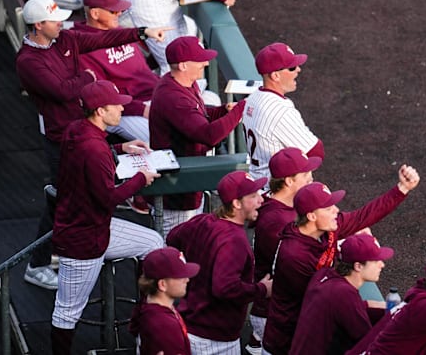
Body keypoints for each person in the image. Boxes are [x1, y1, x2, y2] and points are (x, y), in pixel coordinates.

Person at [16, 0, 168, 290]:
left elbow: (103, 39)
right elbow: (62, 92)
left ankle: (63, 249)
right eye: (54, 19)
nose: (61, 22)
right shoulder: (28, 61)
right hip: (60, 137)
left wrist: (139, 33)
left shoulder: (65, 39)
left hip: (83, 130)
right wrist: (86, 77)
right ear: (38, 25)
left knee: (77, 194)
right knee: (61, 198)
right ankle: (37, 264)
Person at [49, 80, 165, 355]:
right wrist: (140, 179)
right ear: (100, 111)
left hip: (91, 226)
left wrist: (122, 149)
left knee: (154, 242)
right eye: (116, 104)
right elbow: (107, 198)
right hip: (82, 240)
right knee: (66, 312)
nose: (122, 108)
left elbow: (97, 154)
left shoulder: (77, 130)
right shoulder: (93, 148)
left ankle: (145, 323)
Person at [262, 165, 420, 355]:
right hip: (285, 342)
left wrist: (401, 189)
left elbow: (363, 216)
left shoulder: (326, 229)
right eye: (328, 208)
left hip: (312, 331)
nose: (336, 210)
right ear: (312, 216)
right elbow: (319, 300)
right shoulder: (294, 254)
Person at [166, 171, 273, 355]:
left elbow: (172, 238)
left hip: (189, 324)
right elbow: (224, 288)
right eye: (253, 196)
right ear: (236, 203)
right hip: (214, 339)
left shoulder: (203, 220)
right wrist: (262, 289)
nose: (261, 200)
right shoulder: (234, 241)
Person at [148, 36, 245, 237]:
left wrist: (224, 111)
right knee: (176, 254)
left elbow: (199, 117)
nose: (206, 63)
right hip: (176, 193)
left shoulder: (182, 83)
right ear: (183, 65)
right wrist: (242, 109)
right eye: (199, 60)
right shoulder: (173, 96)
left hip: (186, 183)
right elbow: (208, 135)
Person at [246, 147, 321, 354]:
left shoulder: (280, 203)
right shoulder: (277, 220)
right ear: (288, 181)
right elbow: (294, 264)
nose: (311, 177)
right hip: (273, 311)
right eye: (306, 174)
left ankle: (255, 343)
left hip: (275, 306)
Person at [72, 0, 159, 143]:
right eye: (113, 11)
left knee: (209, 101)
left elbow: (144, 67)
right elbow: (103, 97)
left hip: (155, 95)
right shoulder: (82, 47)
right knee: (161, 139)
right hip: (125, 109)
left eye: (120, 9)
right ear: (95, 13)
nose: (119, 13)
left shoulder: (119, 31)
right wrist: (143, 109)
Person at [289, 234, 392, 355]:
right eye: (376, 261)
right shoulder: (344, 294)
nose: (382, 265)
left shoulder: (324, 275)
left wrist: (369, 305)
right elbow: (367, 342)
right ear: (358, 266)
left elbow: (341, 309)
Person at [242, 42, 324, 186]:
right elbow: (315, 153)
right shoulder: (280, 110)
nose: (298, 70)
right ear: (275, 75)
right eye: (291, 68)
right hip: (276, 191)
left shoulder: (252, 99)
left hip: (256, 184)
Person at [129, 247, 200, 355]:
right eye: (180, 276)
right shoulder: (164, 326)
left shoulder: (148, 305)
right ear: (162, 284)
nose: (187, 279)